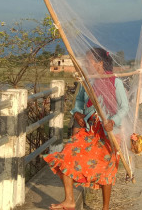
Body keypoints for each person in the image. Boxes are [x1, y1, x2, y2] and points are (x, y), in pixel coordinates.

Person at [44, 47, 128, 210]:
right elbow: (79, 105)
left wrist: (113, 121)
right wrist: (77, 115)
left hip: (108, 132)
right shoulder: (87, 82)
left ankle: (105, 207)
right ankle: (69, 200)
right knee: (67, 155)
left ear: (99, 63)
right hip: (89, 131)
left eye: (88, 62)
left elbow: (124, 107)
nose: (86, 65)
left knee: (106, 167)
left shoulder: (115, 82)